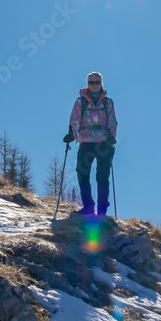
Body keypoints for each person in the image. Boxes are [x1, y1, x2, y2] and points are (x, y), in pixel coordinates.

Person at [64, 71, 117, 217]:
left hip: (104, 143)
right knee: (82, 173)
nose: (94, 85)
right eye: (91, 82)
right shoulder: (81, 101)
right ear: (87, 84)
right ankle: (88, 207)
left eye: (97, 82)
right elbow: (75, 119)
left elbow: (112, 120)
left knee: (102, 176)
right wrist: (72, 135)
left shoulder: (108, 102)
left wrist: (112, 136)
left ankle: (101, 210)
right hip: (86, 142)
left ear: (101, 84)